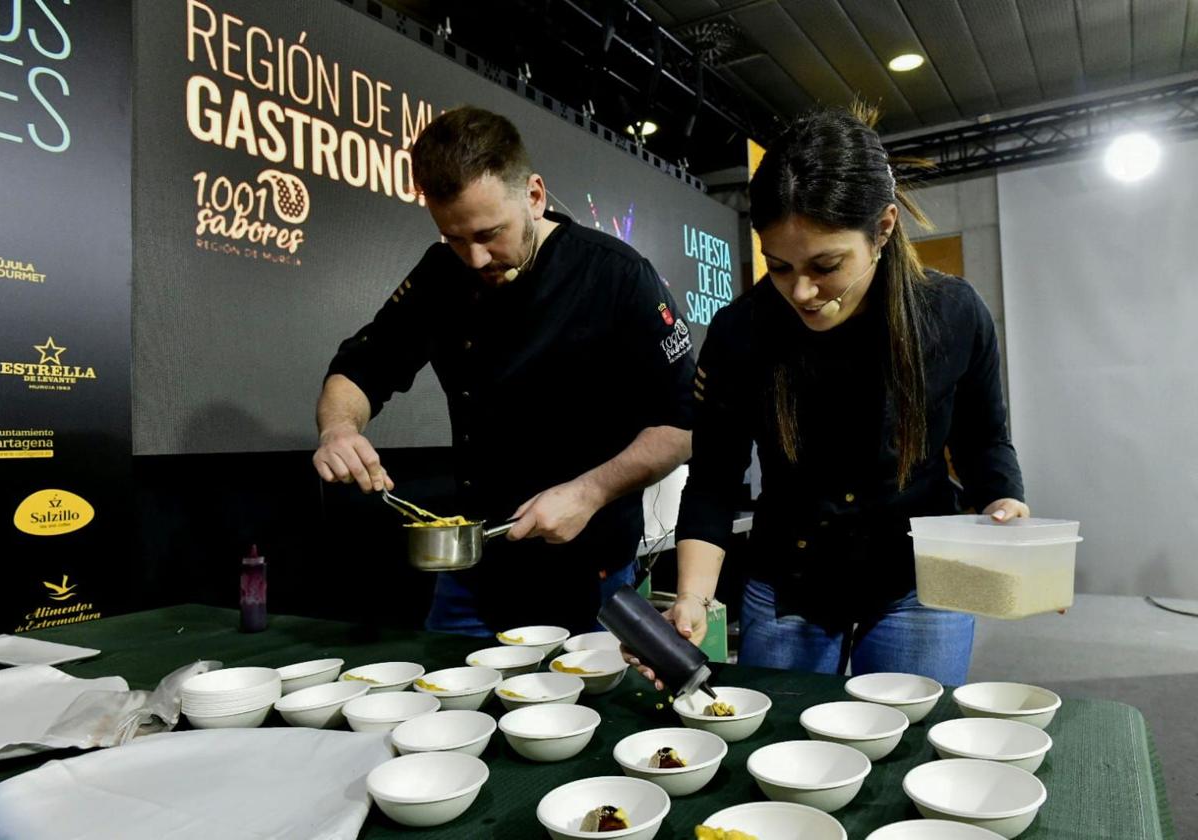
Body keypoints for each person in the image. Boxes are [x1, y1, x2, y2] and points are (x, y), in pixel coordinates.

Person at [632, 105, 1026, 688]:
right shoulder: (742, 332)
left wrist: (1004, 507)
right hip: (787, 580)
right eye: (779, 266)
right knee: (785, 754)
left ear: (884, 228)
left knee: (906, 752)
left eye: (827, 265)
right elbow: (714, 478)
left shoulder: (953, 314)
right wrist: (693, 599)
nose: (802, 291)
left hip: (920, 581)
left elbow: (983, 441)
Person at [312, 106, 695, 636]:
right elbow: (360, 367)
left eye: (490, 233)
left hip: (591, 575)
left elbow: (681, 426)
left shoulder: (616, 276)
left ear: (534, 196)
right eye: (453, 237)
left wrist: (588, 493)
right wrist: (339, 428)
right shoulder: (440, 276)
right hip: (472, 574)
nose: (473, 257)